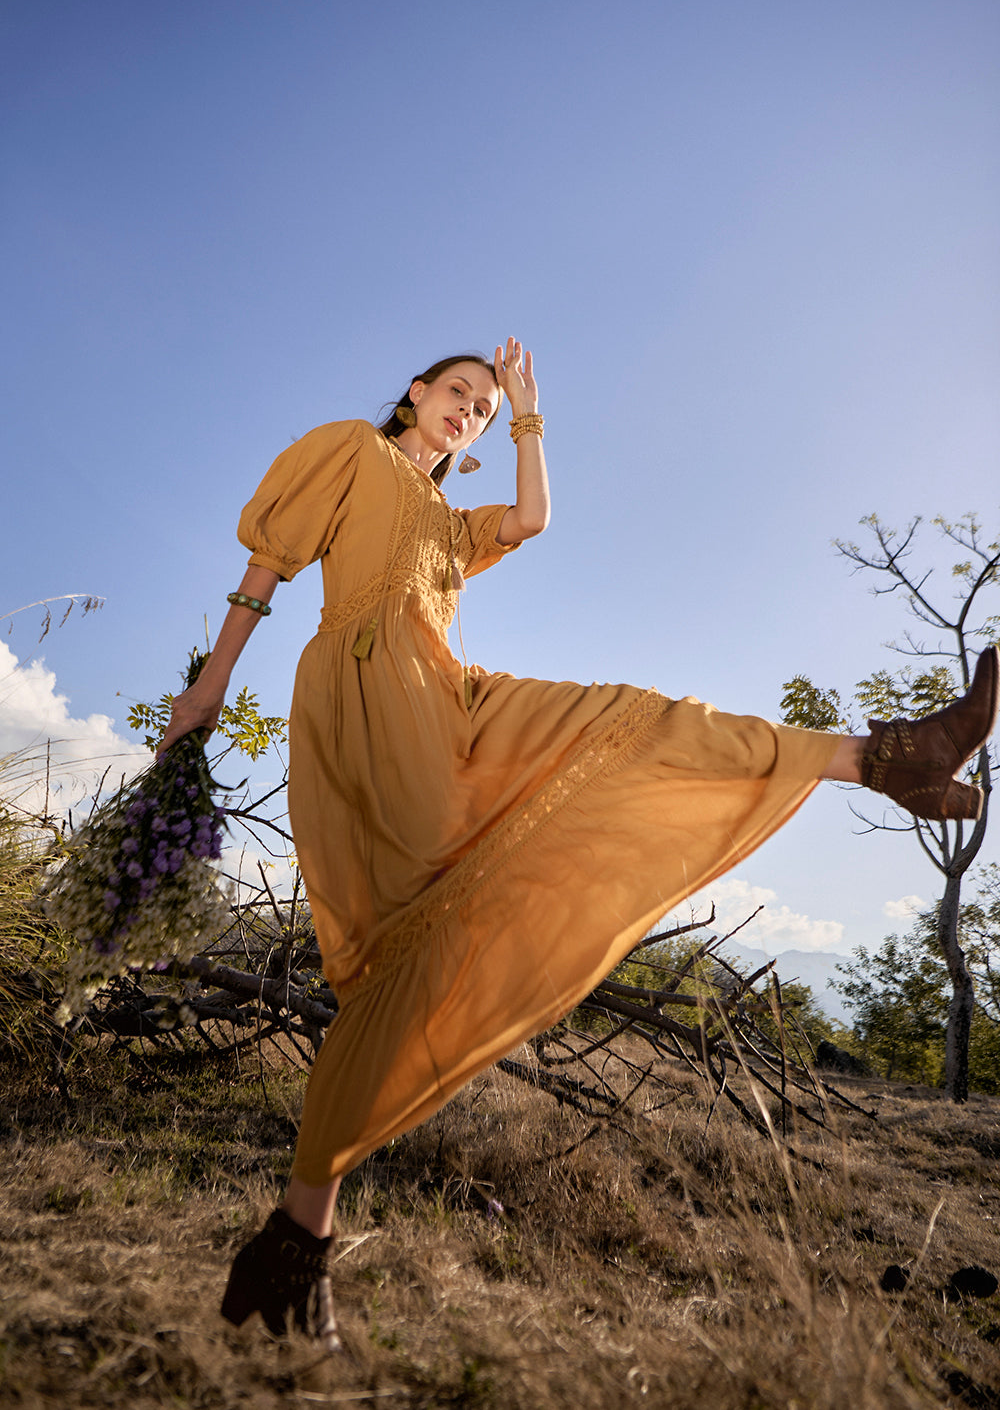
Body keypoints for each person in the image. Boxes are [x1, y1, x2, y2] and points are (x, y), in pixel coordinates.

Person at [159, 338, 998, 1352]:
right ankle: (296, 1240)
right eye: (455, 393)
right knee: (394, 960)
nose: (467, 409)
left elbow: (532, 518)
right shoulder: (352, 452)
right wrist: (210, 685)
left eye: (479, 402)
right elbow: (268, 567)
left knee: (632, 724)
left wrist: (529, 414)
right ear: (413, 395)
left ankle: (883, 756)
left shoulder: (447, 519)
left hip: (454, 705)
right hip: (367, 707)